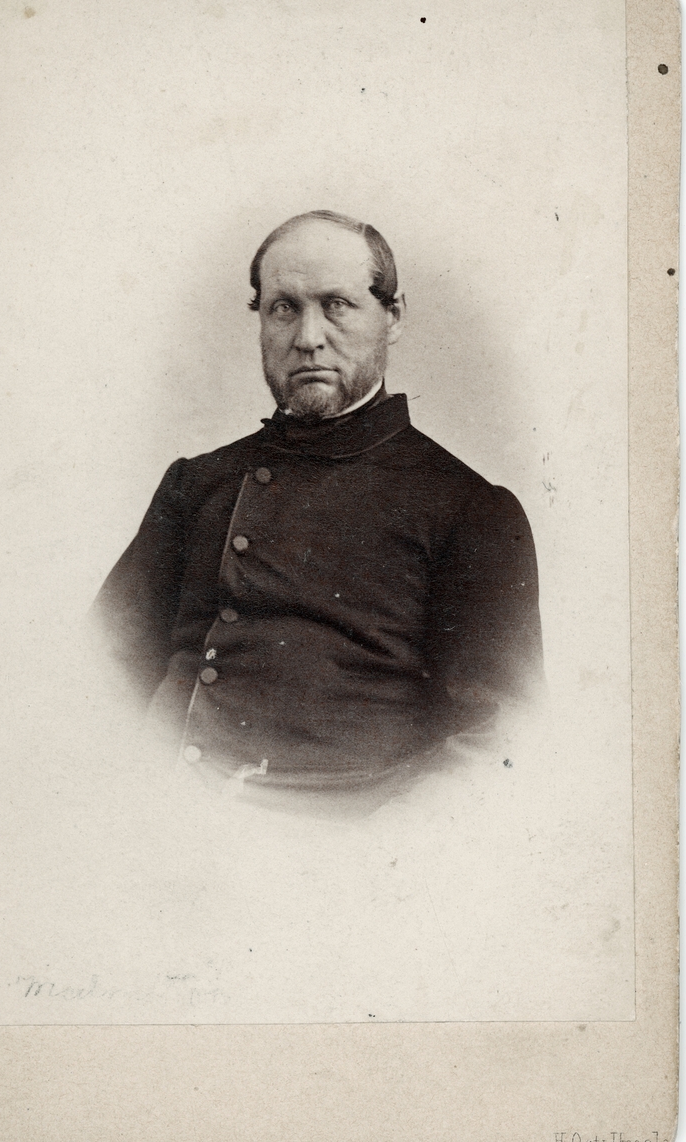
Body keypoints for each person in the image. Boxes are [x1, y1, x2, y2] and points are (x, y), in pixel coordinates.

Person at [93, 210, 543, 789]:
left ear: (393, 317)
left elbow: (496, 743)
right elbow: (97, 671)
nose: (308, 338)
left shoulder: (471, 510)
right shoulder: (195, 483)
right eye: (284, 308)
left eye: (337, 305)